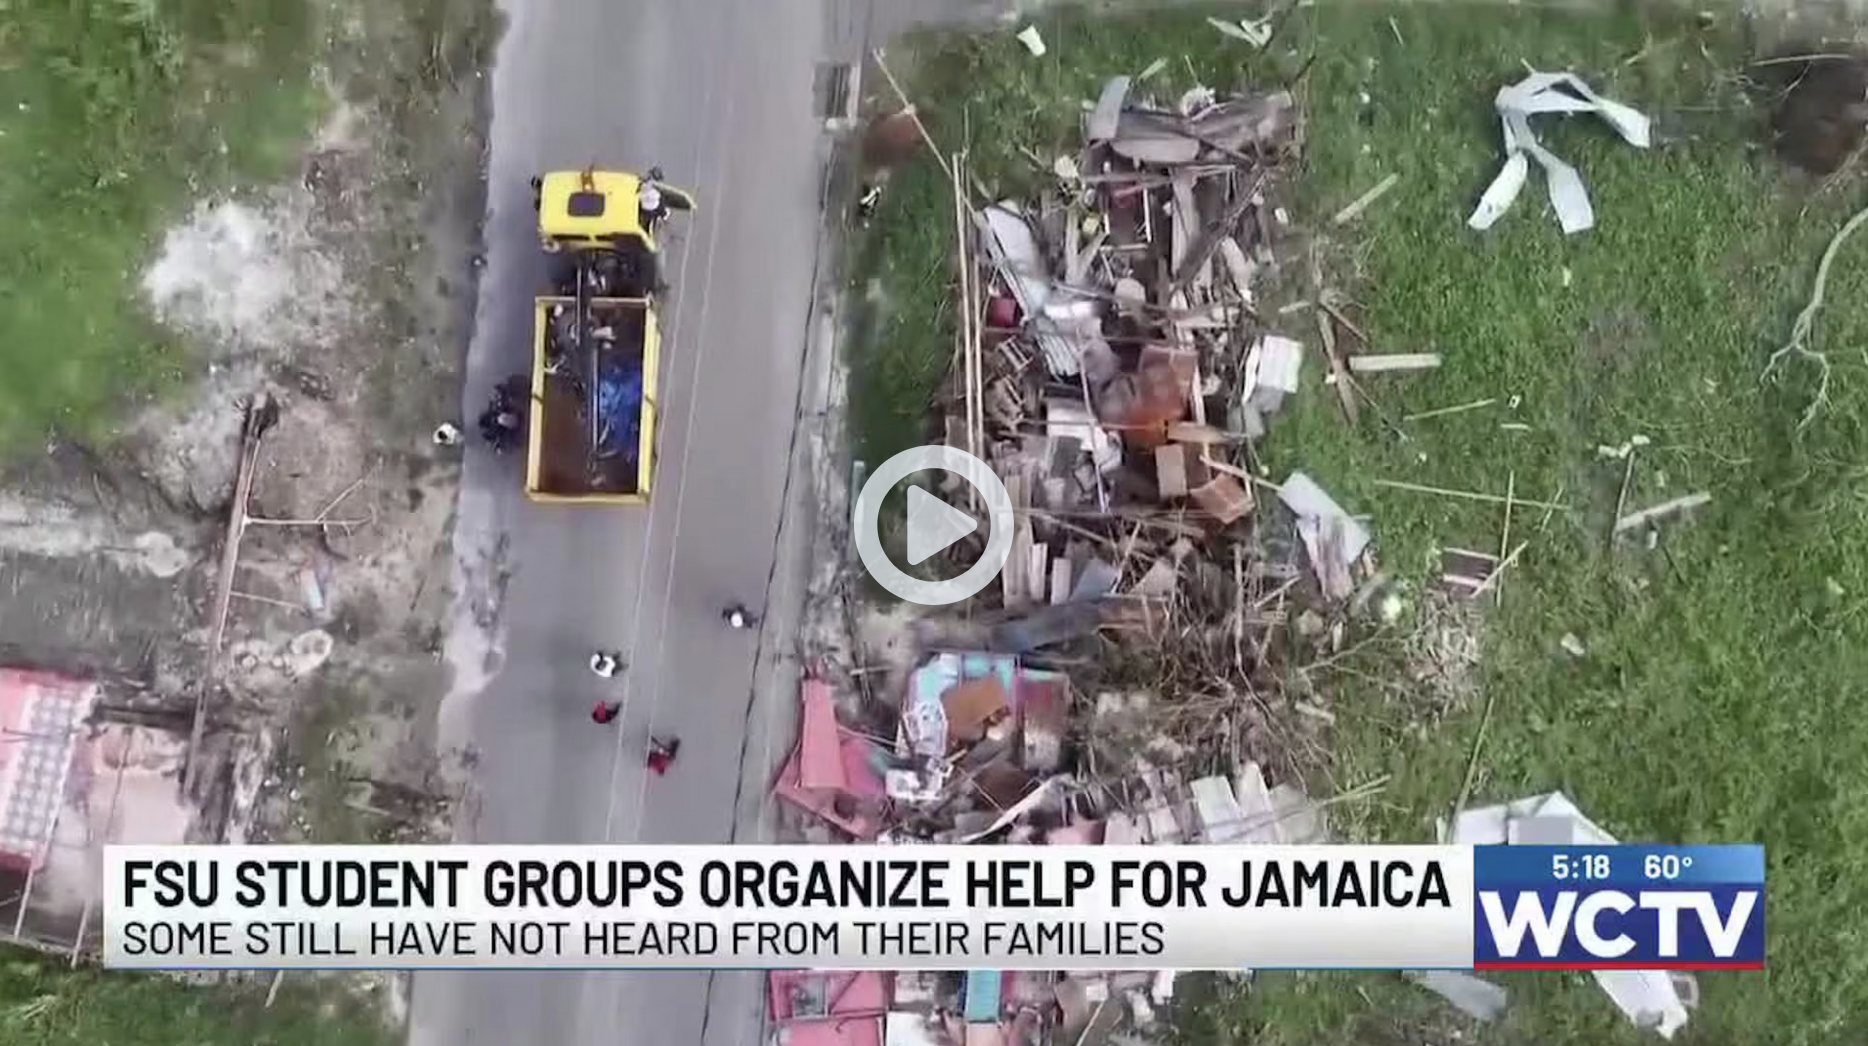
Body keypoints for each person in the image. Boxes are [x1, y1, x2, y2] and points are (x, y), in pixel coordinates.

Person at [637, 166, 669, 233]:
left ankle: (662, 215)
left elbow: (641, 186)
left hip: (642, 206)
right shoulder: (656, 191)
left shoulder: (644, 183)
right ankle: (663, 215)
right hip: (650, 210)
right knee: (660, 201)